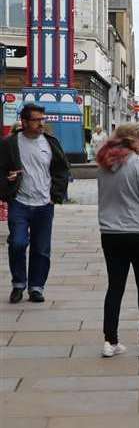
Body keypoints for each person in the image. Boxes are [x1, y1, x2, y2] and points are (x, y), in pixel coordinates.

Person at [96, 124, 139, 357]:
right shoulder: (138, 163)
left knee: (114, 286)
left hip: (110, 233)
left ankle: (110, 340)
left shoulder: (104, 164)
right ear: (132, 140)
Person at [0, 104, 70, 303]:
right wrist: (8, 180)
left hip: (44, 204)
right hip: (19, 202)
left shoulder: (50, 142)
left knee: (41, 248)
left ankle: (36, 287)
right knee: (17, 243)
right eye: (37, 120)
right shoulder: (10, 143)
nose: (42, 123)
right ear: (24, 122)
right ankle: (18, 284)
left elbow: (62, 169)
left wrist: (55, 194)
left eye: (43, 119)